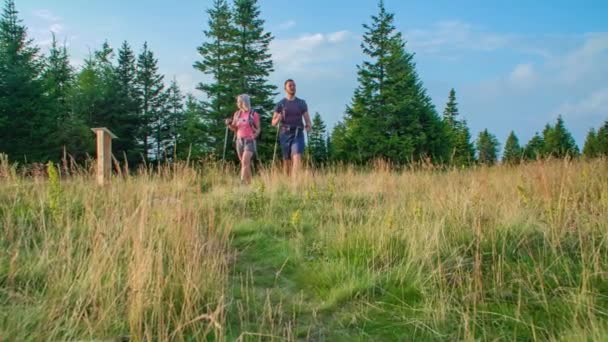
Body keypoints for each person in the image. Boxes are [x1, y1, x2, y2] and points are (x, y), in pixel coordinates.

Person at [271, 79, 312, 177]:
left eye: (294, 85)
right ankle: (288, 182)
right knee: (287, 162)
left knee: (297, 156)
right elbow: (273, 122)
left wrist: (308, 126)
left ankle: (295, 182)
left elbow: (308, 120)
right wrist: (278, 118)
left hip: (298, 133)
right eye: (290, 85)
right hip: (285, 134)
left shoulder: (301, 103)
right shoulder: (280, 104)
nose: (293, 87)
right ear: (285, 88)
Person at [225, 94, 260, 184]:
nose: (237, 103)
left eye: (239, 102)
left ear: (243, 102)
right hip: (239, 140)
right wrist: (229, 124)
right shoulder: (237, 114)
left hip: (249, 140)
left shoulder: (253, 114)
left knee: (245, 161)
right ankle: (250, 184)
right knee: (245, 164)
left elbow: (258, 128)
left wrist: (255, 135)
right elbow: (234, 128)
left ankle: (242, 183)